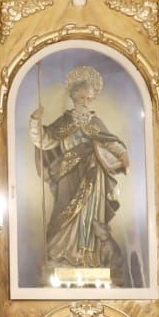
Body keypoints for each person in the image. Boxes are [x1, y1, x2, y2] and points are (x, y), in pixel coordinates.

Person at [28, 66, 133, 286]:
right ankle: (63, 255)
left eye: (89, 98)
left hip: (93, 175)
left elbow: (110, 142)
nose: (86, 101)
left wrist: (123, 155)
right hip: (68, 173)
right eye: (82, 97)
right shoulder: (64, 122)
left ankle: (89, 257)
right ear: (73, 96)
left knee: (90, 215)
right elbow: (44, 141)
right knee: (64, 212)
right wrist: (35, 122)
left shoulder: (95, 122)